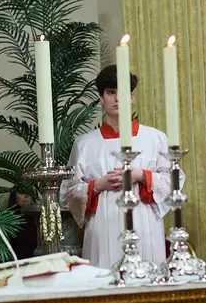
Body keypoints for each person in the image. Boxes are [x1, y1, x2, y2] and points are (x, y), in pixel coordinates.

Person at [60, 66, 182, 269]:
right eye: (110, 92)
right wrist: (97, 185)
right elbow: (68, 193)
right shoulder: (85, 144)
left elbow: (174, 183)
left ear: (132, 98)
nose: (117, 98)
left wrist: (141, 175)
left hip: (145, 226)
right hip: (102, 229)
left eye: (123, 92)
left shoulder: (155, 138)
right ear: (101, 98)